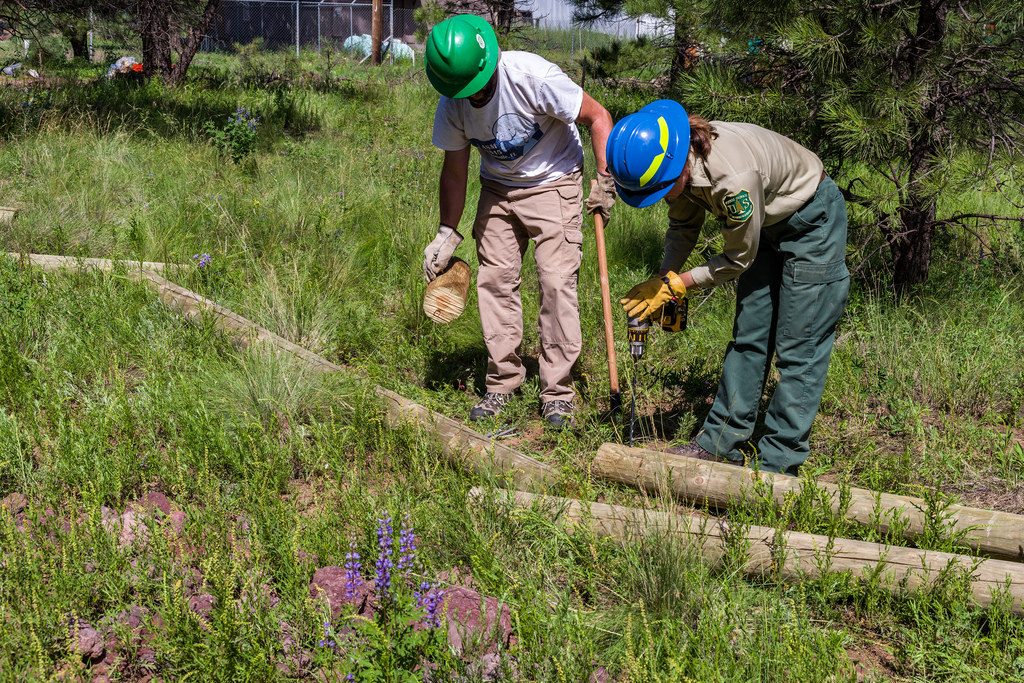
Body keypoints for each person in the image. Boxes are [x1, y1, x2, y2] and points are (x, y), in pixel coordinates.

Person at [608, 100, 849, 475]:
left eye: (661, 190)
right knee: (750, 334)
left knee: (798, 346)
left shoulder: (731, 180)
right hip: (764, 225)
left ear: (674, 168)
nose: (662, 198)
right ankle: (721, 443)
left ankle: (779, 462)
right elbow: (683, 227)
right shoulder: (680, 164)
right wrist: (664, 277)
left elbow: (738, 259)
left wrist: (680, 285)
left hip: (810, 223)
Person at [422, 14, 615, 429]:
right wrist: (446, 231)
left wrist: (605, 179)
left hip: (554, 180)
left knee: (556, 282)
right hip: (497, 187)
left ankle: (557, 392)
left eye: (480, 87)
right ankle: (503, 382)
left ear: (490, 64)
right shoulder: (452, 101)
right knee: (494, 281)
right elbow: (455, 170)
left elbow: (599, 116)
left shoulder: (533, 75)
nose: (474, 97)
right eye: (465, 93)